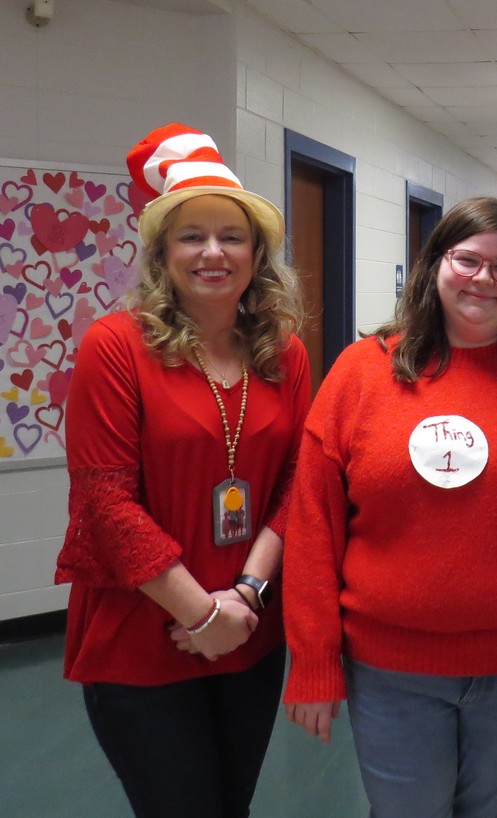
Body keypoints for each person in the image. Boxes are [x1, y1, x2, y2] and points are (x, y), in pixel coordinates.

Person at [283, 195, 497, 818]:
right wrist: (314, 661)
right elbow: (312, 524)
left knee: (490, 809)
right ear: (433, 265)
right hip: (389, 663)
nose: (484, 279)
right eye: (467, 259)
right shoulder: (362, 373)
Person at [54, 123, 311, 818]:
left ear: (257, 253)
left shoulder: (283, 354)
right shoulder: (115, 347)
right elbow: (105, 502)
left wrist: (249, 594)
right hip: (145, 634)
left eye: (231, 235)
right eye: (191, 236)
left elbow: (297, 483)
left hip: (248, 630)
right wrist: (202, 615)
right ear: (162, 253)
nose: (212, 252)